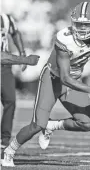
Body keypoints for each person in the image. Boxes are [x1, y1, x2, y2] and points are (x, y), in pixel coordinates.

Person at [1, 2, 90, 167]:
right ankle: (8, 152)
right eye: (79, 24)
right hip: (52, 80)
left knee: (87, 123)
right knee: (36, 125)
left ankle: (51, 125)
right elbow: (65, 78)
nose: (82, 28)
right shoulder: (65, 38)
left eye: (86, 24)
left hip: (73, 81)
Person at [0, 13, 39, 148]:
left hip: (5, 68)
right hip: (3, 61)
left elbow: (15, 33)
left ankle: (4, 141)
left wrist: (22, 51)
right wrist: (25, 59)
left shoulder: (5, 18)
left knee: (10, 100)